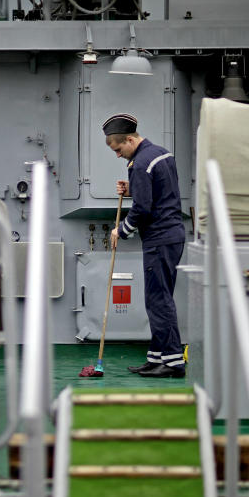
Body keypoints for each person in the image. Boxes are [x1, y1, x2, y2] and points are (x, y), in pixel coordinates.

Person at [104, 113, 187, 378]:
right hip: (172, 235)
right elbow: (162, 192)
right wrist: (132, 188)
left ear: (130, 139)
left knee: (158, 300)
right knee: (159, 298)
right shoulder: (162, 154)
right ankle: (157, 358)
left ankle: (173, 363)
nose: (118, 155)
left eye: (118, 149)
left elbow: (142, 209)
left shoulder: (139, 164)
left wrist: (121, 231)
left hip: (159, 238)